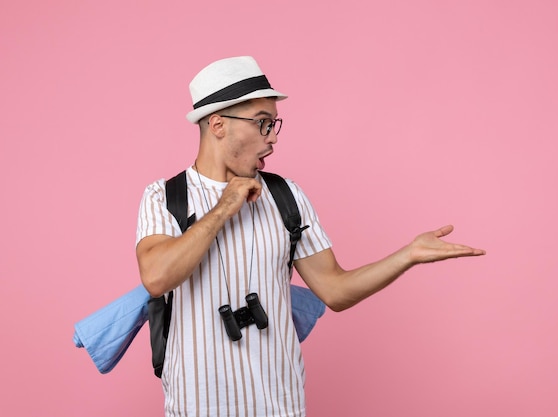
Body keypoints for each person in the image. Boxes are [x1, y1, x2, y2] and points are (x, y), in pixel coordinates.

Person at [135, 56, 485, 417]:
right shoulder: (164, 198)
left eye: (274, 125)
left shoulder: (288, 196)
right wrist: (224, 208)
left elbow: (335, 290)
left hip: (281, 407)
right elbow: (157, 277)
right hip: (197, 408)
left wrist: (407, 255)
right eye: (262, 124)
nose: (272, 138)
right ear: (218, 124)